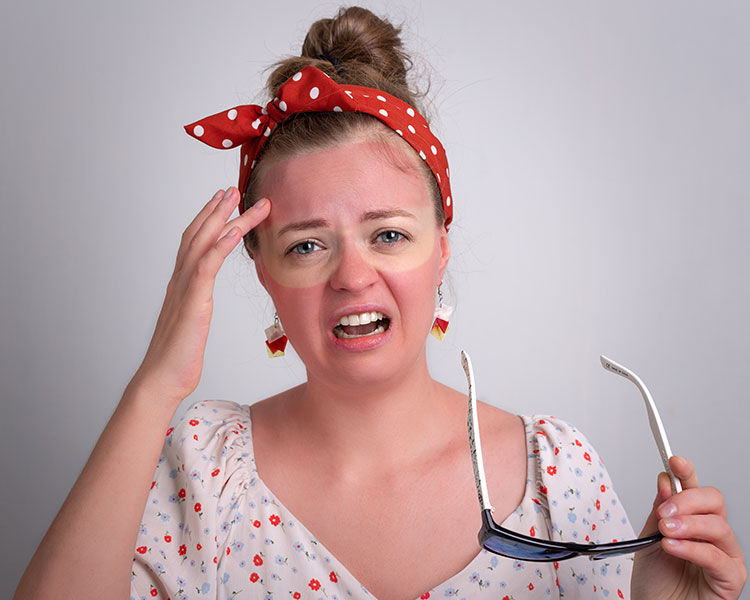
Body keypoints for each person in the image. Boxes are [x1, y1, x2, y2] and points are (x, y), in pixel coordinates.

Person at [14, 6, 745, 600]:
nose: (352, 276)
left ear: (441, 250)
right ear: (261, 273)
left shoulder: (557, 474)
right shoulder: (205, 471)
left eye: (388, 234)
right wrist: (155, 385)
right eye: (305, 245)